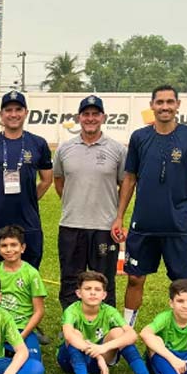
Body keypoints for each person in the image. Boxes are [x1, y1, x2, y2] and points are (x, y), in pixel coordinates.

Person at [112, 85, 187, 327]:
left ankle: (184, 334)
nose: (165, 107)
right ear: (152, 105)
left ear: (178, 105)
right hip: (143, 224)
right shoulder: (139, 137)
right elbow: (129, 178)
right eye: (160, 102)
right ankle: (127, 331)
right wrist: (119, 216)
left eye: (170, 102)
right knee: (135, 279)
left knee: (184, 285)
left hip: (178, 225)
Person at [52, 95, 126, 310]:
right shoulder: (64, 149)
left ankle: (105, 323)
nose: (90, 118)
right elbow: (59, 181)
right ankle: (71, 322)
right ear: (79, 118)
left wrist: (118, 216)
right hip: (71, 225)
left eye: (95, 114)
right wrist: (74, 202)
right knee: (70, 279)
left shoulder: (118, 150)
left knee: (104, 280)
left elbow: (125, 184)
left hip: (104, 227)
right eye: (86, 114)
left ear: (103, 117)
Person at [57, 271, 166, 374]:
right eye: (88, 289)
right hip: (69, 362)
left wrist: (103, 348)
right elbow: (68, 335)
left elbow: (132, 335)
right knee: (75, 333)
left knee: (119, 333)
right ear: (79, 293)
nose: (93, 293)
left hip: (98, 359)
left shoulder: (109, 311)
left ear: (104, 295)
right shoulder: (71, 311)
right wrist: (98, 356)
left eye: (97, 289)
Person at [0, 90, 53, 269]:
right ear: (1, 114)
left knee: (28, 269)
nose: (13, 114)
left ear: (26, 113)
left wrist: (30, 198)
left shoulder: (38, 143)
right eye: (8, 110)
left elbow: (47, 179)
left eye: (18, 109)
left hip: (27, 219)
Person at [0, 226, 46, 361]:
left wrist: (21, 336)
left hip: (22, 329)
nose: (9, 250)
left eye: (14, 245)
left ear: (22, 248)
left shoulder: (32, 274)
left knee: (33, 364)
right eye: (4, 246)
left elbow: (39, 311)